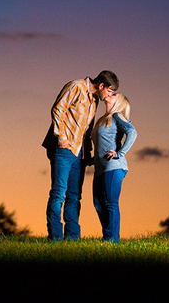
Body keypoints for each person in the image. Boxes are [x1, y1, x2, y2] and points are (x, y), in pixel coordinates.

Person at [43, 70, 118, 241]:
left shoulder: (94, 99)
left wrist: (88, 152)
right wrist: (61, 138)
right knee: (58, 193)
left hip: (80, 153)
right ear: (101, 85)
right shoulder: (75, 86)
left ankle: (73, 238)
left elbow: (86, 128)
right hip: (63, 148)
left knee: (75, 195)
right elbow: (57, 110)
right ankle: (55, 237)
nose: (109, 95)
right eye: (109, 91)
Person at [92, 92, 137, 243]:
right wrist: (92, 159)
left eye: (115, 94)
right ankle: (108, 237)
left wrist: (120, 153)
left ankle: (112, 240)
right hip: (100, 168)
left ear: (120, 101)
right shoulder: (102, 119)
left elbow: (132, 132)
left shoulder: (117, 115)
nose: (110, 94)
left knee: (111, 202)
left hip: (114, 166)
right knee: (98, 203)